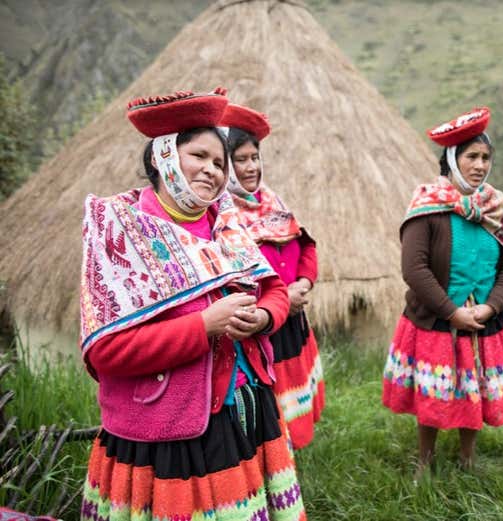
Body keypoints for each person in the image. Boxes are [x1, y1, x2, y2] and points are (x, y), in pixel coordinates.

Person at [79, 89, 306, 520]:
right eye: (198, 156)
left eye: (220, 163)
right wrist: (203, 326)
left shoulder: (226, 225)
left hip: (248, 410)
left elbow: (275, 291)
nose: (212, 170)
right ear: (162, 157)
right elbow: (106, 351)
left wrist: (262, 317)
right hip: (168, 436)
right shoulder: (120, 232)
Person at [382, 107, 503, 475]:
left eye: (486, 158)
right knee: (432, 393)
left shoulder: (496, 208)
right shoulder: (428, 206)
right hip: (436, 319)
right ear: (452, 159)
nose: (480, 165)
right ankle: (425, 459)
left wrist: (490, 307)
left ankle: (468, 459)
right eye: (471, 157)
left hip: (484, 319)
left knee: (475, 388)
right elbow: (414, 269)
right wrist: (452, 312)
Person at [220, 103, 324, 449]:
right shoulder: (222, 216)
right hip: (260, 328)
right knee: (270, 413)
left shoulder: (272, 202)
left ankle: (292, 463)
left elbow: (306, 247)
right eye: (241, 160)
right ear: (226, 165)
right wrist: (279, 300)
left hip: (292, 322)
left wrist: (303, 283)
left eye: (255, 157)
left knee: (295, 402)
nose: (251, 167)